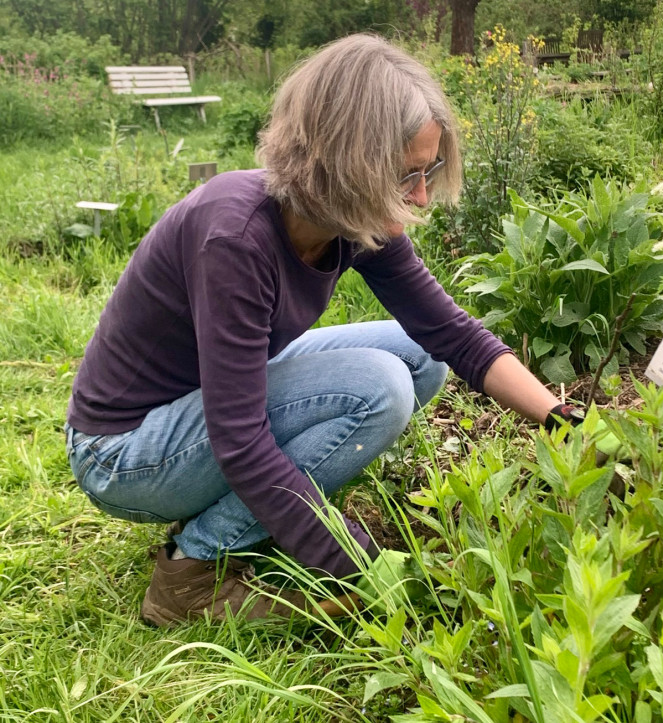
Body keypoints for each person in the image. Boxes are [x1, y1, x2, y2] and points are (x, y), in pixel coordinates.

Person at [65, 33, 575, 627]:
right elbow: (240, 439)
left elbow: (451, 333)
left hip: (201, 410)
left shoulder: (351, 221)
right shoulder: (234, 237)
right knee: (379, 387)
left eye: (428, 170)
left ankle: (244, 518)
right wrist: (362, 564)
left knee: (418, 355)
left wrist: (562, 420)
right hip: (125, 453)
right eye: (405, 173)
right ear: (345, 158)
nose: (420, 195)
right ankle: (190, 572)